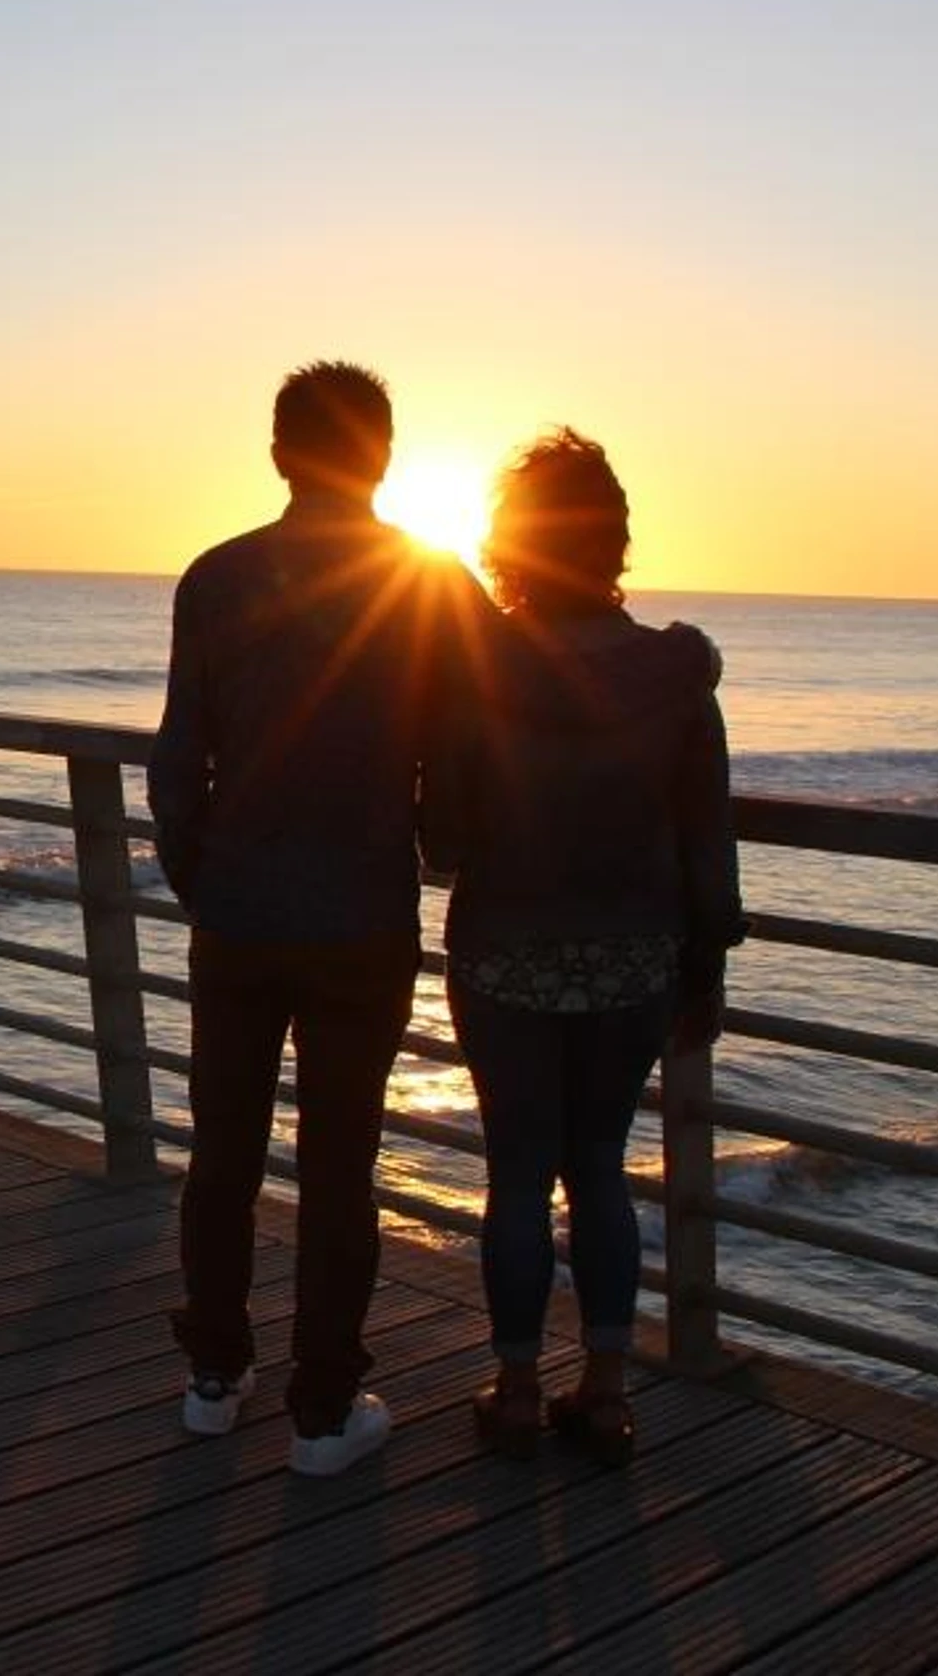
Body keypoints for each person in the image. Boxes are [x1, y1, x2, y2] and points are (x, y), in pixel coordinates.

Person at [149, 360, 489, 1475]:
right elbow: (467, 741)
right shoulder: (427, 581)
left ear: (279, 454)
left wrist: (204, 880)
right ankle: (324, 1410)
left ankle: (213, 1375)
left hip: (239, 915)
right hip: (361, 917)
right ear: (382, 458)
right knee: (341, 1166)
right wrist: (437, 844)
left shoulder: (216, 577)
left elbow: (177, 758)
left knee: (223, 1152)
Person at [425, 428, 742, 1466]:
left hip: (503, 952)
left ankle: (518, 1392)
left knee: (518, 1175)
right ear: (615, 544)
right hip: (634, 958)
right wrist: (707, 966)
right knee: (600, 1166)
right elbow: (706, 836)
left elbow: (443, 838)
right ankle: (606, 1395)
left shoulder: (476, 669)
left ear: (511, 545)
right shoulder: (677, 673)